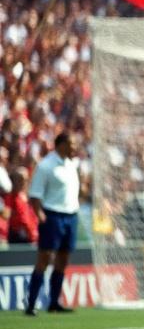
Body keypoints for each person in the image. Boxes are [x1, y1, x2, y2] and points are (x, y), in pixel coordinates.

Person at [24, 133, 82, 315]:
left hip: (71, 216)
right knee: (45, 257)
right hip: (53, 216)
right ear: (61, 144)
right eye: (72, 144)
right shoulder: (46, 166)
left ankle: (54, 302)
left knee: (63, 259)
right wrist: (40, 214)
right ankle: (31, 303)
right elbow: (35, 194)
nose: (75, 147)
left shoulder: (72, 164)